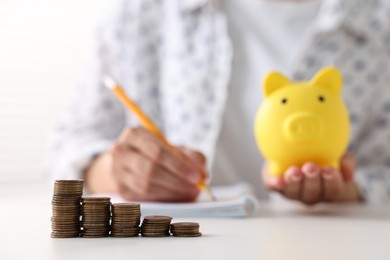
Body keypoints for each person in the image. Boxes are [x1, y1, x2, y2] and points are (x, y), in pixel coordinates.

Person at [48, 0, 390, 205]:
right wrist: (118, 170)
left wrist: (352, 190)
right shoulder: (143, 12)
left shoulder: (380, 24)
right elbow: (66, 149)